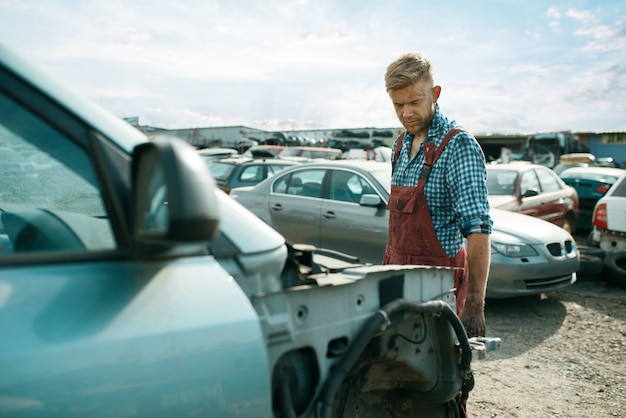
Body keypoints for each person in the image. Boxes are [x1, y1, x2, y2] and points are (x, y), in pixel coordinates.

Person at [382, 52, 492, 339]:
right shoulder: (399, 146)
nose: (407, 113)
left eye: (415, 102)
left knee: (439, 377)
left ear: (435, 94)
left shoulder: (458, 146)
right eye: (398, 104)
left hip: (439, 293)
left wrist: (475, 303)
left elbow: (478, 228)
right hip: (396, 283)